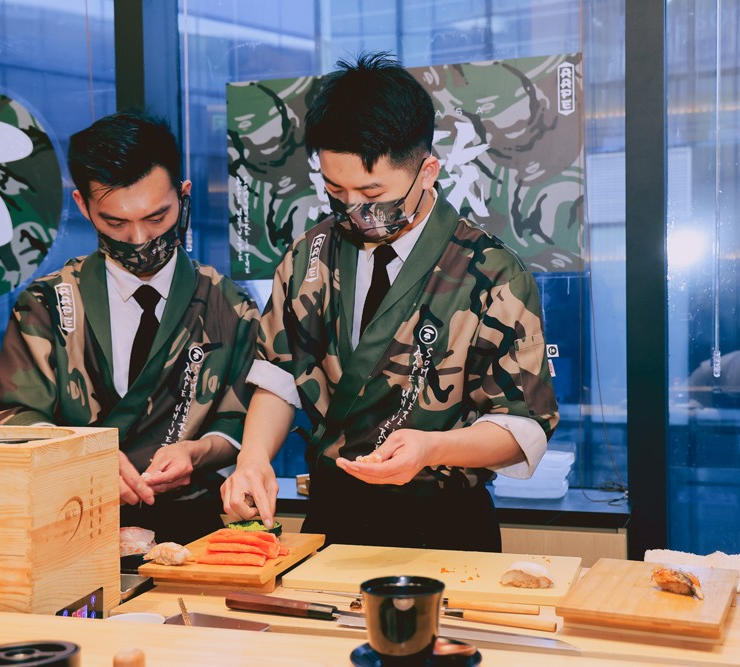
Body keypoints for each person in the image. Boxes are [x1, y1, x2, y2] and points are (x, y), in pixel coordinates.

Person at [220, 53, 560, 552]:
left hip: (445, 523)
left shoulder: (490, 271)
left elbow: (522, 426)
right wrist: (252, 458)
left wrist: (432, 448)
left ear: (427, 171)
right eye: (336, 192)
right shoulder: (309, 256)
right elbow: (279, 374)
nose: (354, 212)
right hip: (334, 516)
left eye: (372, 193)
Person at [0, 111, 259, 545]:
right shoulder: (47, 304)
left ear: (184, 196)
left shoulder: (229, 306)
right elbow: (12, 416)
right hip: (71, 522)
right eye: (115, 222)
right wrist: (79, 454)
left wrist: (197, 452)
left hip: (194, 530)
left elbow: (241, 419)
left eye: (157, 217)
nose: (139, 239)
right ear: (83, 206)